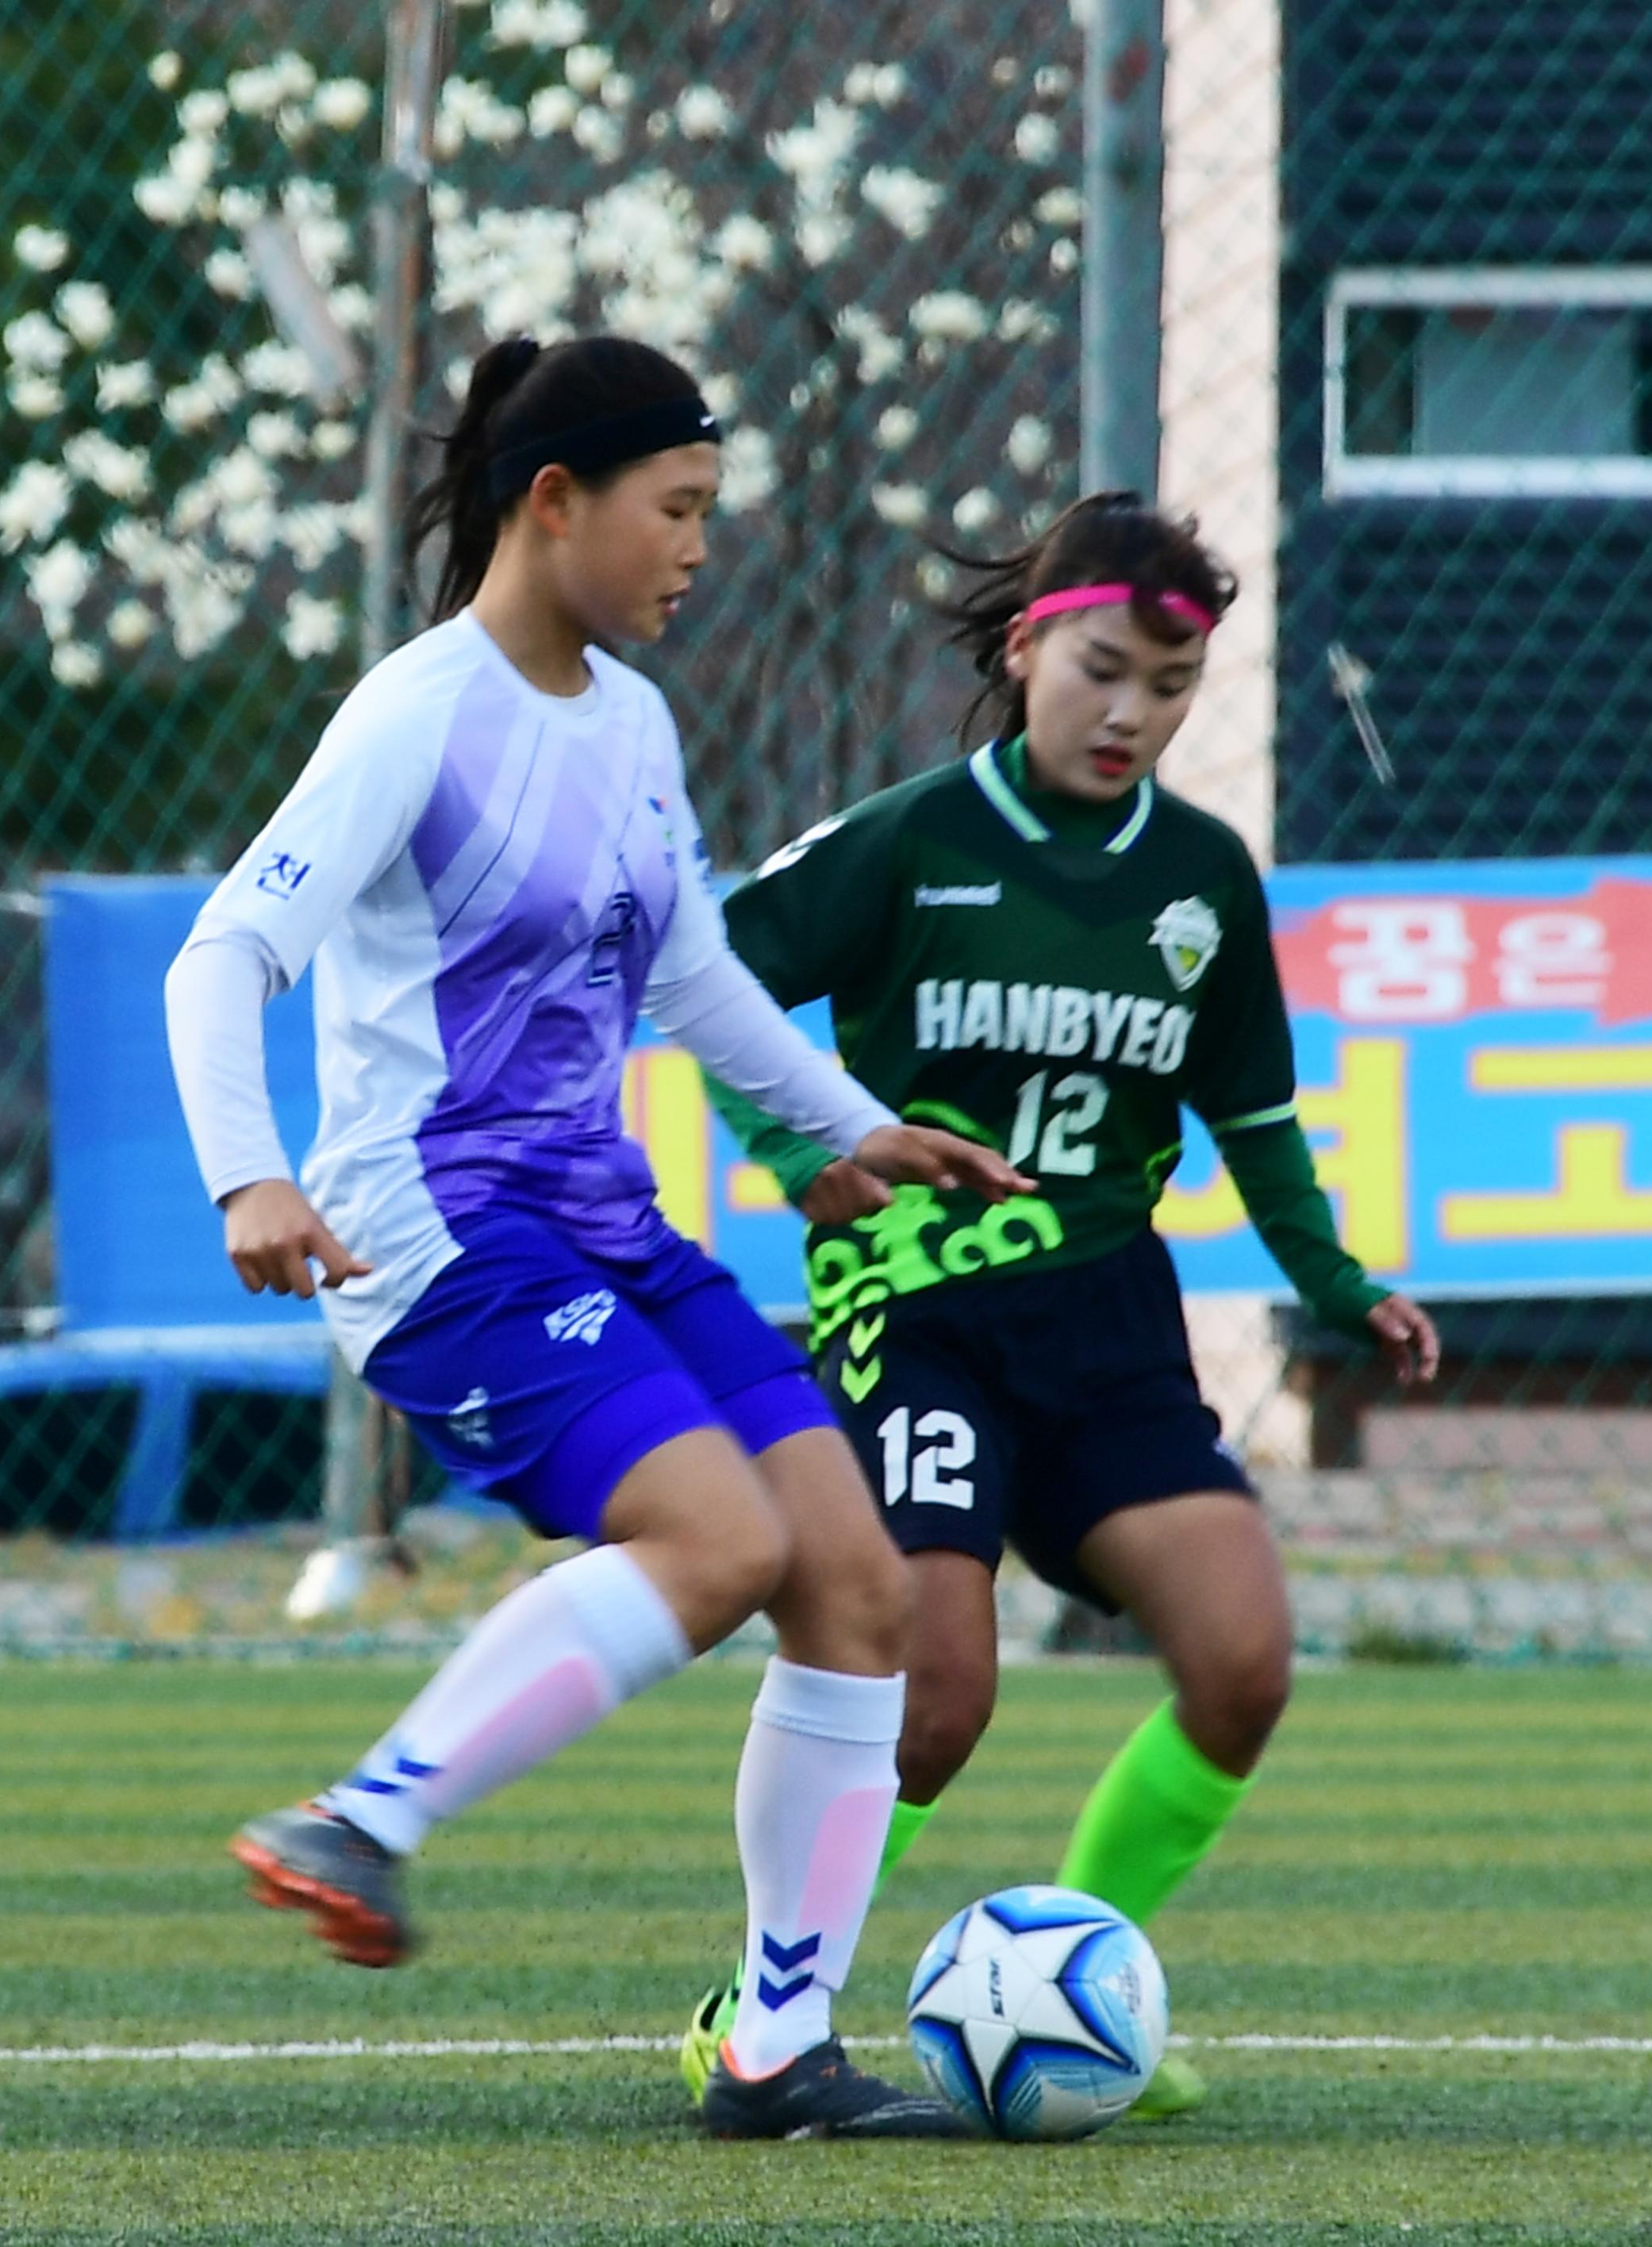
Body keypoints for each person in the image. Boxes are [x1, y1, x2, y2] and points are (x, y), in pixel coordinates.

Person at [163, 334, 1031, 2138]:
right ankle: (359, 1819)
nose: (700, 549)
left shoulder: (630, 720)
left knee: (853, 1581)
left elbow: (691, 970)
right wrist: (252, 1175)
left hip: (600, 1224)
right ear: (551, 505)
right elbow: (221, 955)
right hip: (442, 1233)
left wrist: (847, 1126)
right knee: (713, 1539)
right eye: (678, 510)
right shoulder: (418, 711)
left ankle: (776, 2050)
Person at [673, 494, 1441, 2117]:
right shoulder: (911, 841)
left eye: (1170, 688)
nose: (1131, 714)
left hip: (1107, 1324)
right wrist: (792, 1146)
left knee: (1242, 1663)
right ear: (1028, 651)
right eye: (1102, 671)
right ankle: (760, 2011)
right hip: (917, 1306)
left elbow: (1251, 1124)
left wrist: (1338, 1288)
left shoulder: (1200, 881)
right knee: (935, 1699)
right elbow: (710, 971)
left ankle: (1082, 1987)